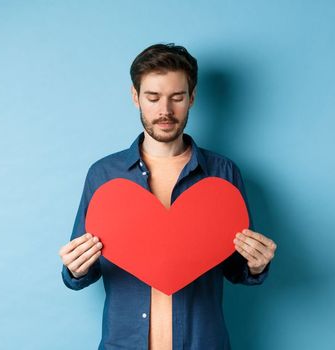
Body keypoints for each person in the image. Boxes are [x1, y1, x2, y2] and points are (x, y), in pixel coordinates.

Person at [58, 43, 277, 350]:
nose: (165, 110)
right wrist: (75, 268)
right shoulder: (104, 176)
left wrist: (255, 264)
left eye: (177, 97)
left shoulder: (223, 174)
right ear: (136, 98)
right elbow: (81, 272)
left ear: (192, 98)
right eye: (153, 97)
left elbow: (235, 268)